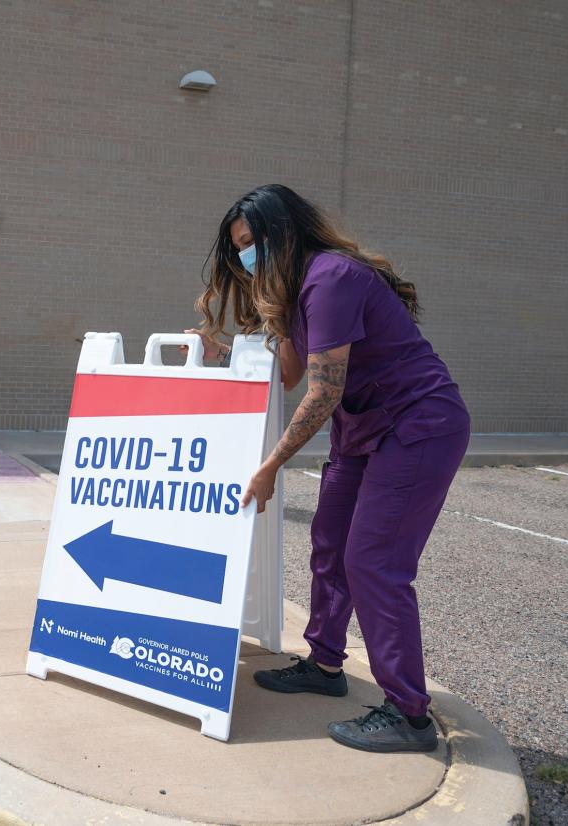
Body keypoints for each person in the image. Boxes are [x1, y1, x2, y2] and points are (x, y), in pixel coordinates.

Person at [187, 184, 470, 753]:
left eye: (253, 244)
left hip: (417, 425)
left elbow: (322, 393)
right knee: (329, 543)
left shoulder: (332, 277)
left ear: (283, 233)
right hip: (364, 430)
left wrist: (270, 465)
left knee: (375, 561)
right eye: (240, 249)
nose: (247, 257)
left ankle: (408, 715)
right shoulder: (294, 295)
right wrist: (231, 347)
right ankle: (324, 665)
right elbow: (290, 375)